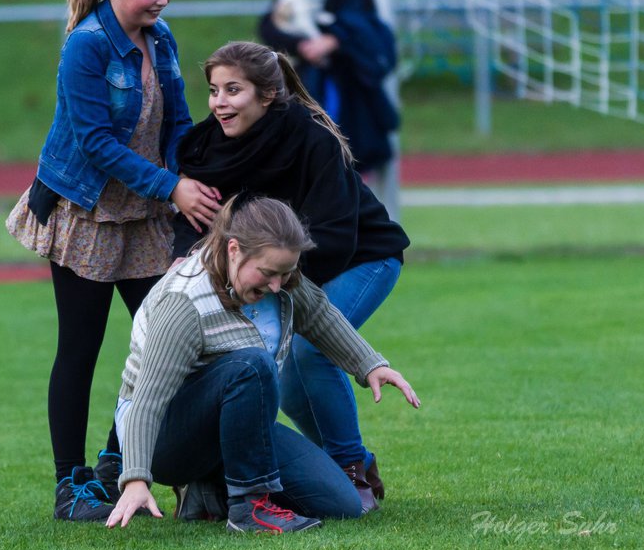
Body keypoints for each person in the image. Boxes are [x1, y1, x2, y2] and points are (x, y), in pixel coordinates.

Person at [5, 0, 221, 522]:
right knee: (81, 348)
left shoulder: (163, 37)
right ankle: (70, 486)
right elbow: (95, 142)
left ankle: (116, 462)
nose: (162, 1)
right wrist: (170, 186)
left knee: (169, 342)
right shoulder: (87, 44)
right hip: (89, 212)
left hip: (147, 213)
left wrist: (192, 179)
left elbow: (178, 120)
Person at [174, 41, 411, 513]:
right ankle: (344, 461)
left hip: (361, 257)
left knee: (307, 349)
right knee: (275, 365)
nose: (220, 102)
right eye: (214, 90)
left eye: (233, 90)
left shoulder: (310, 138)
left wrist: (274, 292)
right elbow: (194, 235)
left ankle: (350, 470)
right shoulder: (202, 148)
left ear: (266, 95)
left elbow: (337, 236)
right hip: (278, 275)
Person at [106, 195, 420, 532]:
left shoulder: (281, 281)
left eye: (284, 273)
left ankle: (211, 491)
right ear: (233, 250)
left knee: (341, 503)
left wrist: (369, 364)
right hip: (162, 440)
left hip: (232, 427)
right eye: (269, 273)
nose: (276, 285)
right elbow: (147, 400)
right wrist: (136, 478)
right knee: (251, 365)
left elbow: (320, 316)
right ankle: (249, 508)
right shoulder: (184, 303)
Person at [258, 0, 400, 176]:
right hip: (310, 86)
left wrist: (336, 41)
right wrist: (303, 46)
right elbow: (270, 26)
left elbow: (371, 36)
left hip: (353, 93)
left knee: (353, 162)